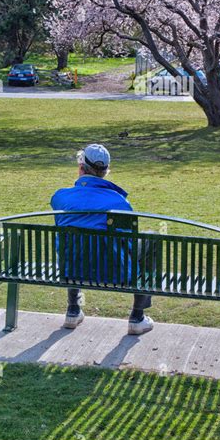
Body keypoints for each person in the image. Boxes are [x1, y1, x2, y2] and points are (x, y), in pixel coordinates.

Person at [50, 143, 153, 335]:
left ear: (81, 168)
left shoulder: (60, 197)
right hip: (113, 272)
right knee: (150, 240)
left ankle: (73, 309)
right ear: (105, 172)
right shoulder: (119, 202)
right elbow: (128, 242)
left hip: (72, 269)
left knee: (74, 246)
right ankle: (137, 316)